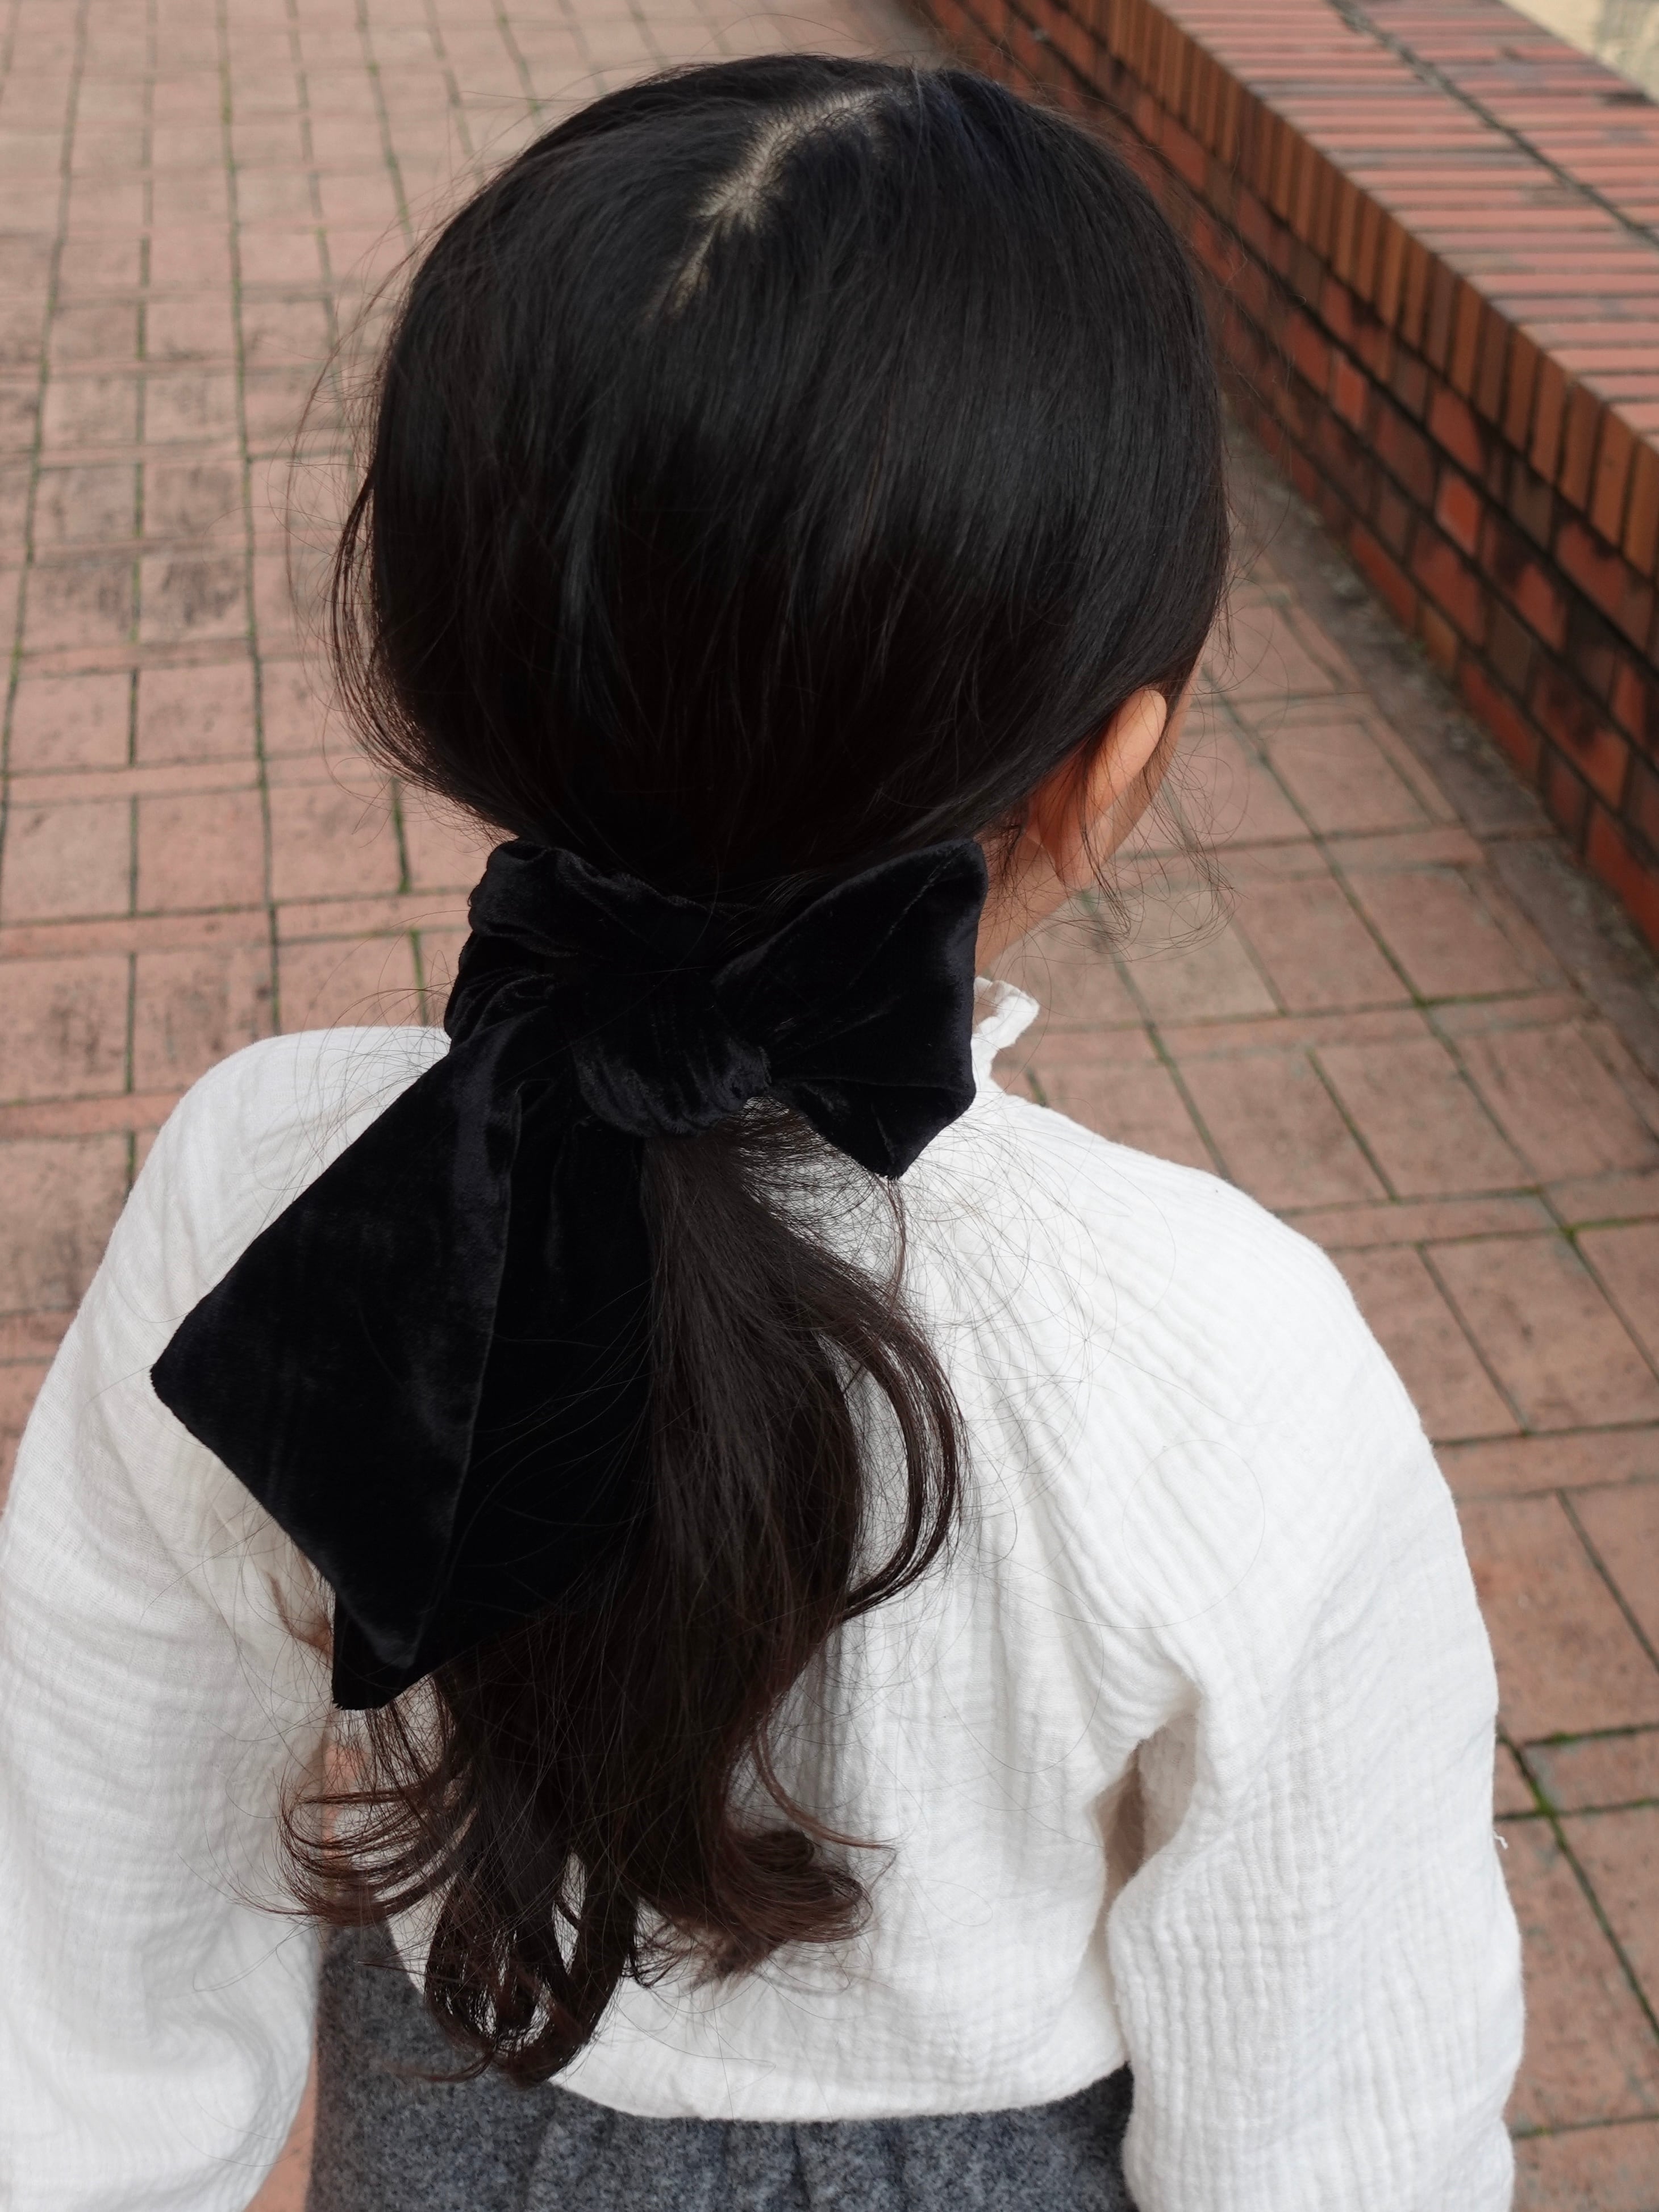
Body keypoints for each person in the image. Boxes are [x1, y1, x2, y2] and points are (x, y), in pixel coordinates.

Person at [0, 55, 1520, 2212]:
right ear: (1111, 770)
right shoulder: (1229, 1362)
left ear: (449, 655)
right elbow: (1343, 2123)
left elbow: (78, 1909)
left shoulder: (275, 1195)